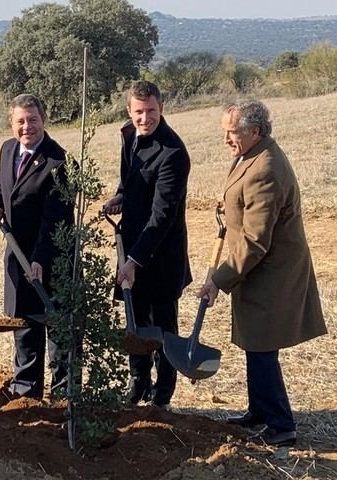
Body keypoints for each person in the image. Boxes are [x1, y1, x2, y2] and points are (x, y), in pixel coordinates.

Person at [197, 99, 327, 447]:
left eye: (231, 132)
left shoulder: (265, 169)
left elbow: (255, 241)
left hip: (271, 273)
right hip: (256, 271)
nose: (226, 139)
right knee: (255, 343)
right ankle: (259, 411)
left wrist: (218, 280)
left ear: (255, 131)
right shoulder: (251, 155)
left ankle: (281, 425)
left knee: (262, 347)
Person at [103, 80, 192, 410]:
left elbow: (162, 216)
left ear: (162, 108)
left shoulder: (173, 153)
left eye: (151, 111)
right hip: (131, 248)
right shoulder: (128, 135)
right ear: (130, 110)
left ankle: (162, 396)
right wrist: (121, 195)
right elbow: (130, 179)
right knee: (134, 321)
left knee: (163, 329)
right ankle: (137, 383)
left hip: (161, 256)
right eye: (139, 112)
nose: (145, 118)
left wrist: (134, 262)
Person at [0, 93, 73, 400]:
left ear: (44, 120)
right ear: (11, 123)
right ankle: (26, 391)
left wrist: (39, 259)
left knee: (56, 326)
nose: (27, 127)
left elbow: (56, 219)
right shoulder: (8, 149)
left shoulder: (58, 161)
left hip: (49, 258)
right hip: (16, 255)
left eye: (33, 120)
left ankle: (63, 395)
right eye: (20, 121)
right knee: (24, 323)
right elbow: (2, 183)